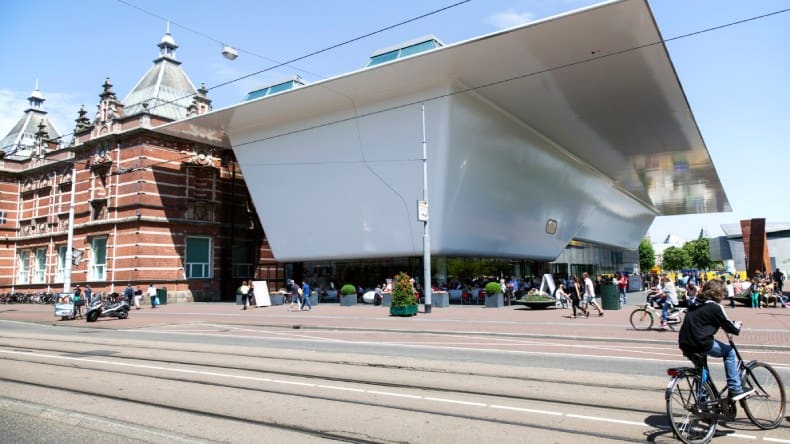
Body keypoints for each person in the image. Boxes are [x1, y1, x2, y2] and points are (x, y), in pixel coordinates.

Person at [678, 280, 755, 401]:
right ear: (719, 294)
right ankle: (735, 388)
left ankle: (703, 404)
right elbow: (731, 328)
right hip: (701, 343)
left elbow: (702, 320)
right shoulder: (715, 307)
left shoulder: (694, 303)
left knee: (702, 372)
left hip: (685, 343)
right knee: (729, 352)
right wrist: (738, 324)